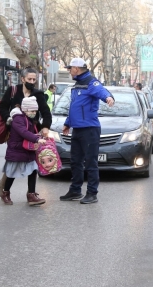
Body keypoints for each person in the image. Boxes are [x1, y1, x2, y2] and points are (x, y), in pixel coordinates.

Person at [60, 58, 115, 204]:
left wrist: (109, 98)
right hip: (77, 129)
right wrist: (68, 123)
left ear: (76, 69)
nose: (69, 71)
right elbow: (75, 107)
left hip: (90, 129)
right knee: (75, 161)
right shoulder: (78, 84)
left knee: (90, 162)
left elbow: (102, 91)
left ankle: (92, 193)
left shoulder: (91, 82)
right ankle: (75, 190)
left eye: (70, 68)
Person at [0, 68, 53, 196]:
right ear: (22, 79)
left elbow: (46, 112)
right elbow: (3, 107)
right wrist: (8, 119)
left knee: (31, 161)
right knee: (15, 160)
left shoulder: (38, 94)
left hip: (32, 133)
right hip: (15, 132)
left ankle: (31, 193)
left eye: (34, 79)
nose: (32, 82)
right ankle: (4, 185)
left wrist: (45, 127)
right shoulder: (13, 91)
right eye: (29, 79)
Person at [0, 97, 47, 206]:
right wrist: (37, 139)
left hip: (27, 150)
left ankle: (31, 195)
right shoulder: (18, 119)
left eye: (35, 111)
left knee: (33, 170)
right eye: (32, 111)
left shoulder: (28, 118)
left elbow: (31, 132)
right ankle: (5, 192)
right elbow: (24, 132)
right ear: (25, 109)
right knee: (11, 174)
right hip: (16, 150)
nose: (34, 113)